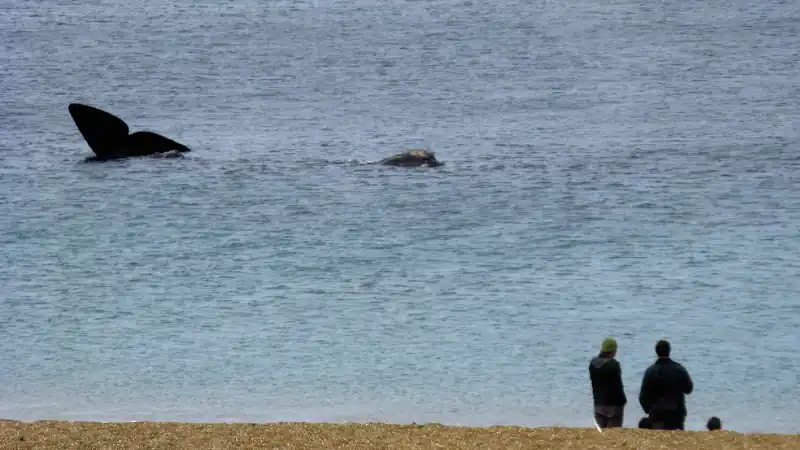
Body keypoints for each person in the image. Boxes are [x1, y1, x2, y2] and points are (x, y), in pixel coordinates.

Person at [638, 340, 694, 430]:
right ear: (669, 351)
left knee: (659, 441)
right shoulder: (678, 369)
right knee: (676, 441)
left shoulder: (651, 371)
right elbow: (689, 389)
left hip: (657, 413)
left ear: (656, 352)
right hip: (677, 413)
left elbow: (643, 396)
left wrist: (649, 410)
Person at [589, 337, 627, 428]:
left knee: (600, 434)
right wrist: (623, 400)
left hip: (598, 404)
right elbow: (618, 386)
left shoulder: (593, 363)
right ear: (612, 350)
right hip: (613, 405)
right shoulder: (613, 364)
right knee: (613, 434)